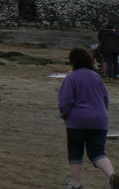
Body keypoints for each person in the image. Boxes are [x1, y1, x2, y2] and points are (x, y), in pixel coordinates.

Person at [58, 47, 119, 189]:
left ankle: (77, 184)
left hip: (77, 121)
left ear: (72, 61)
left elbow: (66, 100)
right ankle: (112, 176)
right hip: (99, 120)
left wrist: (64, 115)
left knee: (75, 152)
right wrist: (102, 113)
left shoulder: (71, 77)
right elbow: (105, 98)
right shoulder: (96, 77)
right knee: (98, 152)